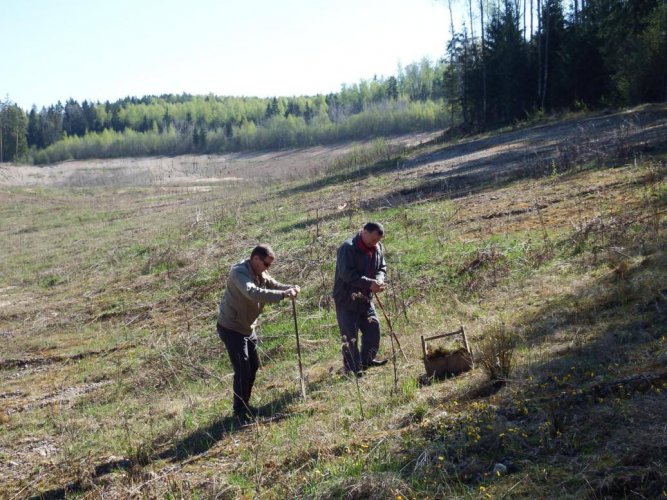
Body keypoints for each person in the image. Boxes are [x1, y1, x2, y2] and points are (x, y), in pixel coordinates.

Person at [217, 244, 299, 421]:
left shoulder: (260, 272)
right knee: (243, 368)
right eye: (266, 264)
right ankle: (239, 411)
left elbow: (274, 285)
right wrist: (283, 295)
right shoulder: (238, 272)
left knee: (253, 366)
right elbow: (253, 293)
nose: (268, 268)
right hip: (231, 327)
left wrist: (291, 288)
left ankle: (245, 404)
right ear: (255, 259)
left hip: (247, 327)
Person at [333, 222, 388, 377]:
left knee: (373, 328)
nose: (374, 244)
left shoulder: (377, 247)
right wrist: (369, 283)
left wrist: (379, 279)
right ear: (363, 232)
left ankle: (367, 360)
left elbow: (382, 267)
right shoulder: (347, 248)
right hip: (346, 299)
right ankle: (352, 369)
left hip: (365, 298)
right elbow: (347, 274)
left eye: (377, 241)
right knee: (350, 336)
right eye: (371, 240)